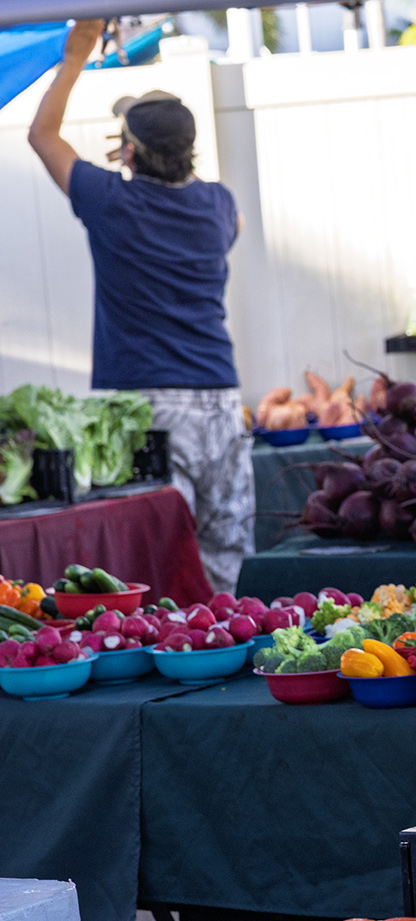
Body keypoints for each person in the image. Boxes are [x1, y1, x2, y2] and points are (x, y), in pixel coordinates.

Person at [27, 21, 253, 594]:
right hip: (219, 400)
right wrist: (141, 160)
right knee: (226, 549)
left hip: (145, 404)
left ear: (128, 148)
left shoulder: (109, 200)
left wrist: (76, 55)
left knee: (154, 549)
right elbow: (222, 217)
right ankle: (224, 637)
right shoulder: (219, 207)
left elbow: (43, 136)